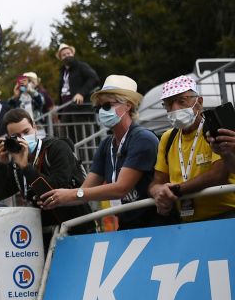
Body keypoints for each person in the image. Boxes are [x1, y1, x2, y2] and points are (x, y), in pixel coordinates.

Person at [40, 75, 171, 230]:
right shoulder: (106, 144)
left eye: (107, 105)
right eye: (99, 107)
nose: (102, 111)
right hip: (127, 225)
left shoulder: (142, 138)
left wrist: (72, 194)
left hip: (156, 224)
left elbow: (121, 188)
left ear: (128, 105)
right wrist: (56, 198)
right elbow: (85, 191)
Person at [0, 108, 94, 234]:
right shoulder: (16, 162)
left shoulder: (56, 148)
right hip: (44, 233)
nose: (23, 138)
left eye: (26, 132)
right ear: (9, 138)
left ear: (35, 127)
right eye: (17, 136)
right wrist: (2, 164)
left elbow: (54, 192)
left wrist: (26, 168)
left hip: (77, 227)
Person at [148, 75, 234, 221]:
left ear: (199, 102)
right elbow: (157, 182)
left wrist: (175, 191)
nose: (175, 108)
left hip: (226, 215)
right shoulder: (168, 137)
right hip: (187, 221)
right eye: (169, 104)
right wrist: (158, 192)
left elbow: (217, 175)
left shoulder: (213, 129)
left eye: (182, 101)